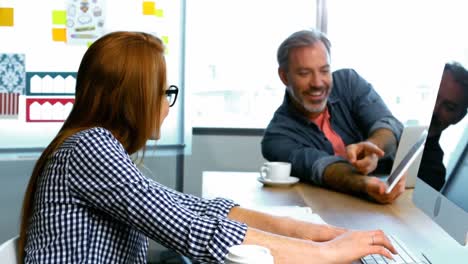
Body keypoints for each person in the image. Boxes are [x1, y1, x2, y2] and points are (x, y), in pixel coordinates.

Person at [18, 31, 397, 264]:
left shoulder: (95, 148)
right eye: (163, 92)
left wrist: (309, 233)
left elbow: (195, 208)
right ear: (132, 98)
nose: (167, 105)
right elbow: (193, 232)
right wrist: (326, 255)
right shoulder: (91, 149)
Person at [261, 29, 404, 204]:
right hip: (334, 208)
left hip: (399, 194)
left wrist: (373, 147)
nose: (317, 83)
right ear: (284, 76)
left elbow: (388, 125)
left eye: (324, 70)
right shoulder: (277, 137)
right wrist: (365, 184)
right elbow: (320, 167)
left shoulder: (348, 82)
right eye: (304, 73)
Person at [418, 62, 468, 191]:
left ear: (459, 118)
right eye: (433, 96)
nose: (435, 109)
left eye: (449, 107)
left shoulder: (433, 173)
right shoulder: (373, 121)